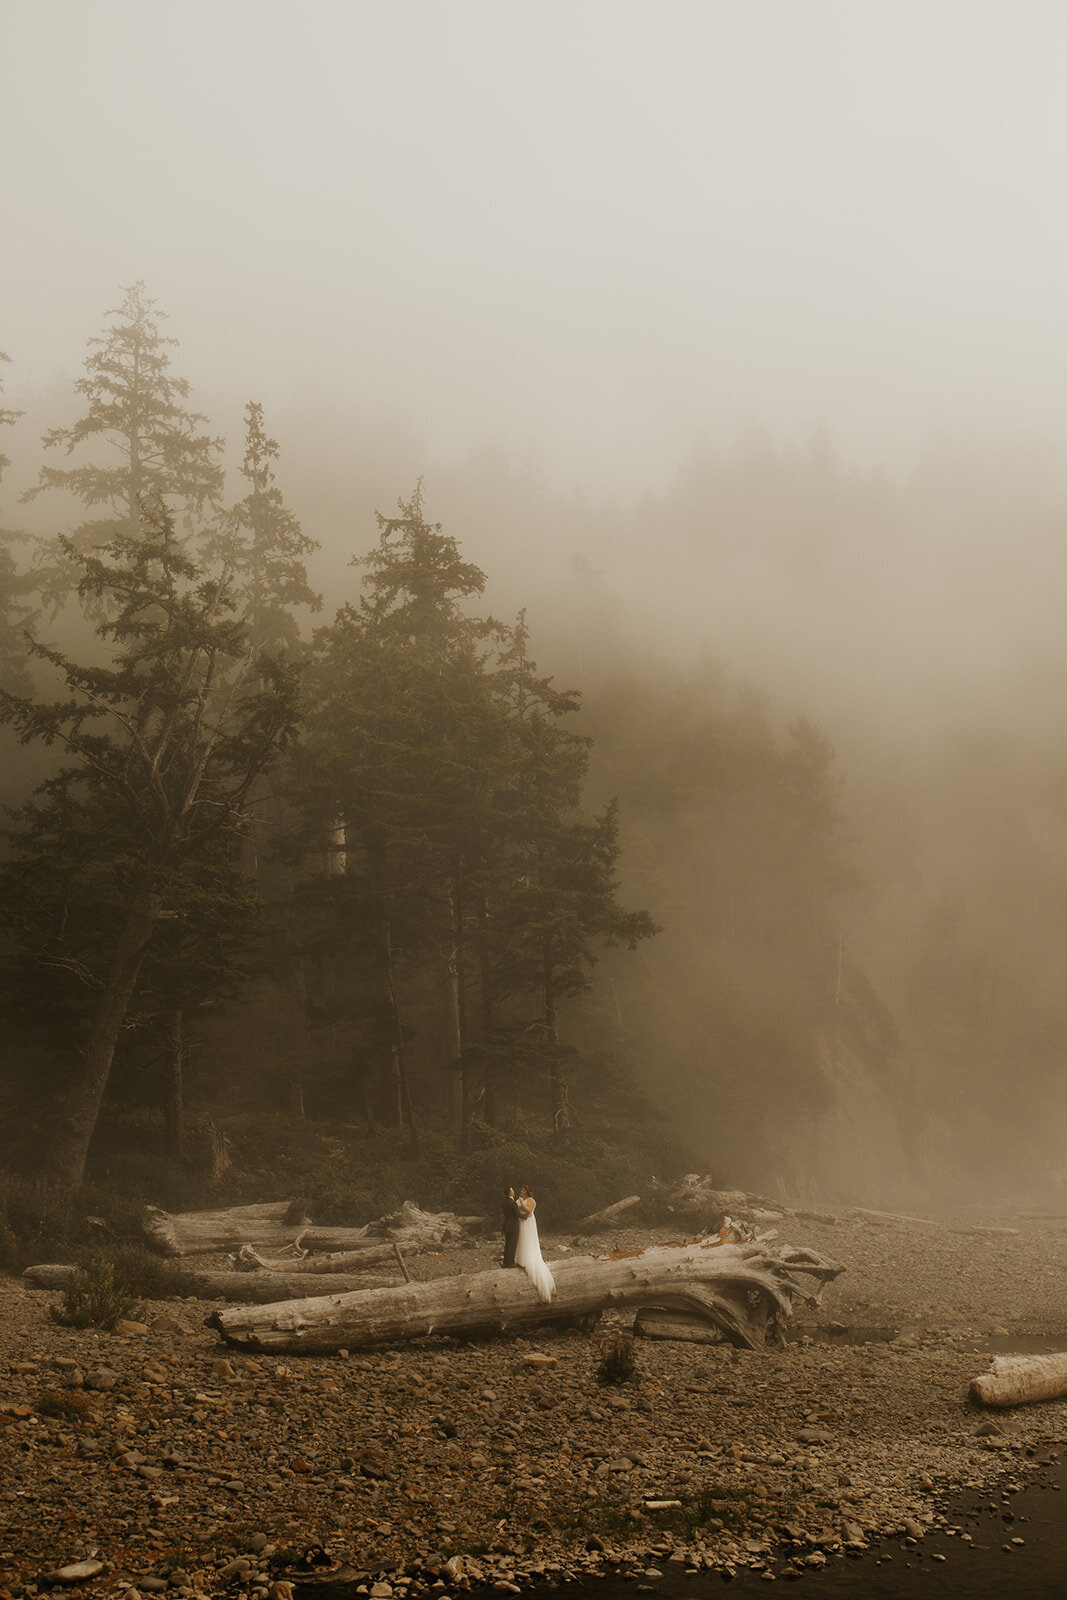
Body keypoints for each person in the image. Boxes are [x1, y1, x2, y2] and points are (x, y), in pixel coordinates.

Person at [514, 1184, 555, 1302]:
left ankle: (527, 1259)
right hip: (520, 1222)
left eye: (523, 1190)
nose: (521, 1191)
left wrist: (522, 1204)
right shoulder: (519, 1199)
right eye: (521, 1189)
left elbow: (529, 1212)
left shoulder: (531, 1200)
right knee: (520, 1239)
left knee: (527, 1239)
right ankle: (519, 1259)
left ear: (527, 1192)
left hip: (528, 1222)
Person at [500, 1185, 524, 1268]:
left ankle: (505, 1263)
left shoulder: (503, 1202)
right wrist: (526, 1216)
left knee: (507, 1244)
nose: (514, 1191)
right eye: (512, 1190)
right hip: (513, 1225)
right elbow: (517, 1213)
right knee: (512, 1244)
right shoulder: (512, 1203)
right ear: (510, 1192)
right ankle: (510, 1262)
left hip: (506, 1225)